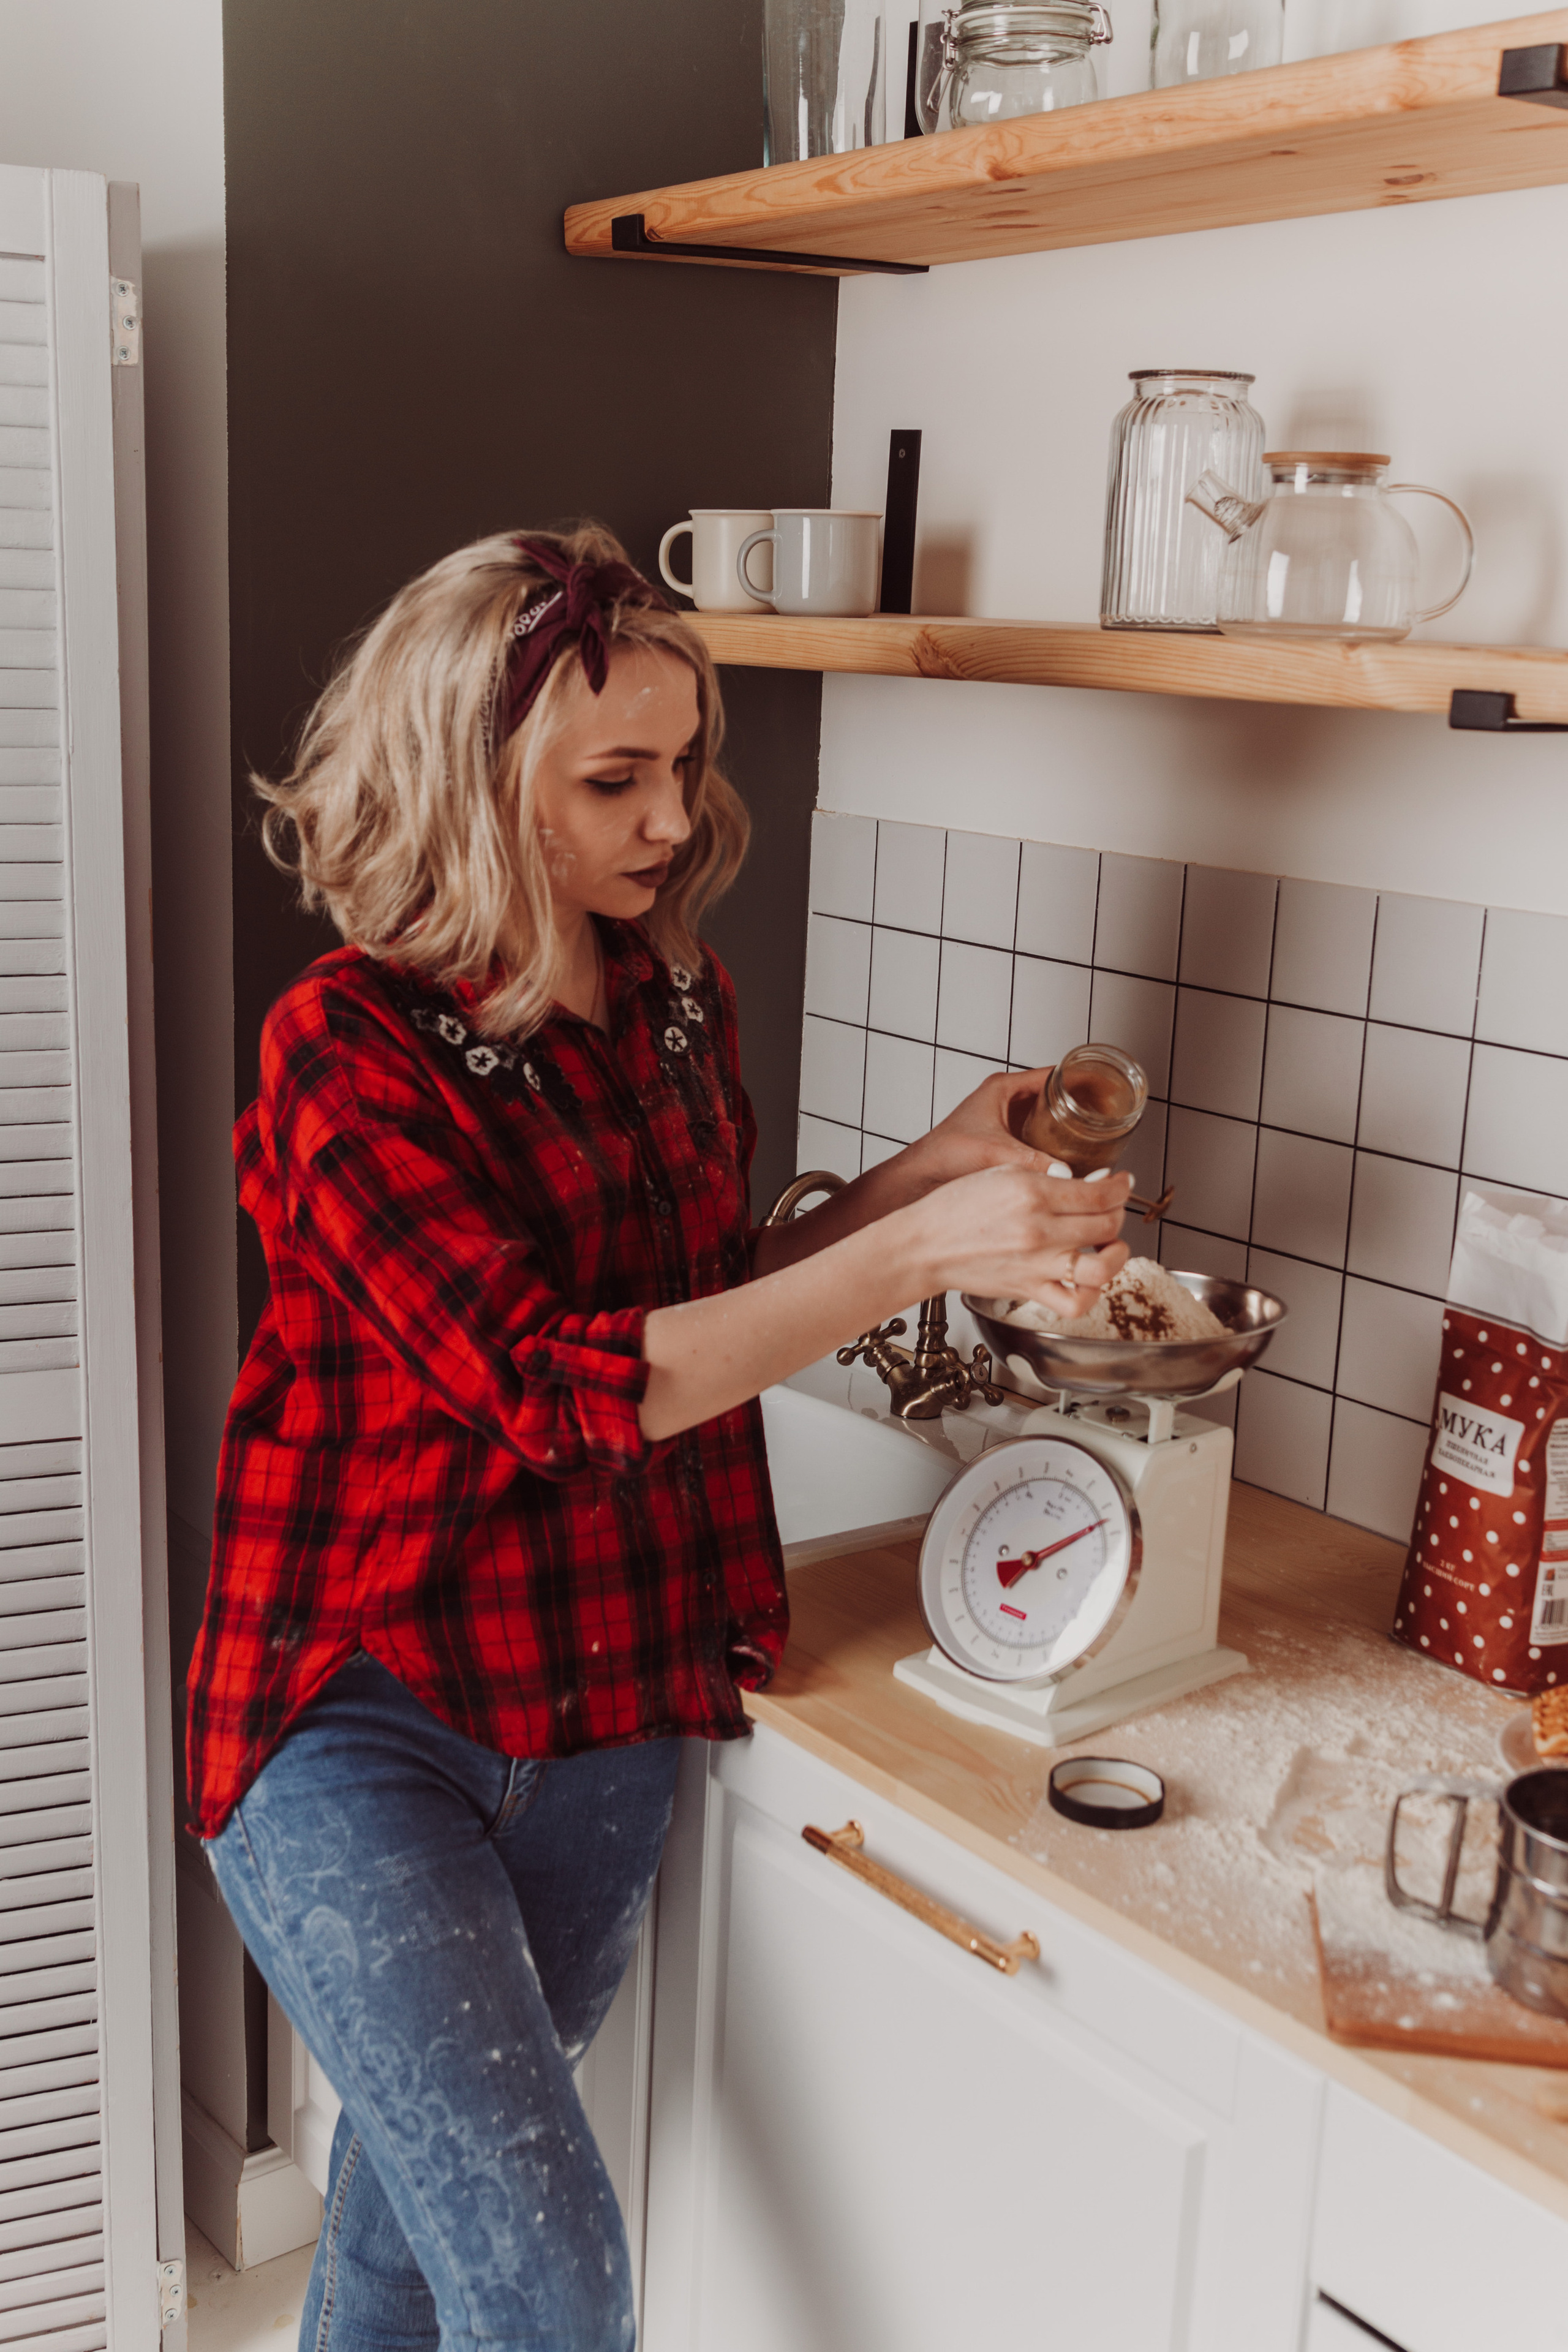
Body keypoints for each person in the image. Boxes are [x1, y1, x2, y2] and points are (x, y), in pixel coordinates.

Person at [188, 524, 1131, 2352]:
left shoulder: (672, 998)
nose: (674, 816)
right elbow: (557, 1387)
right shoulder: (346, 1048)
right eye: (614, 778)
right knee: (553, 2291)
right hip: (360, 1718)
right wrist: (927, 1254)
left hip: (604, 1702)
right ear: (468, 787)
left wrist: (929, 1171)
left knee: (404, 2234)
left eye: (687, 764)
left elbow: (709, 1296)